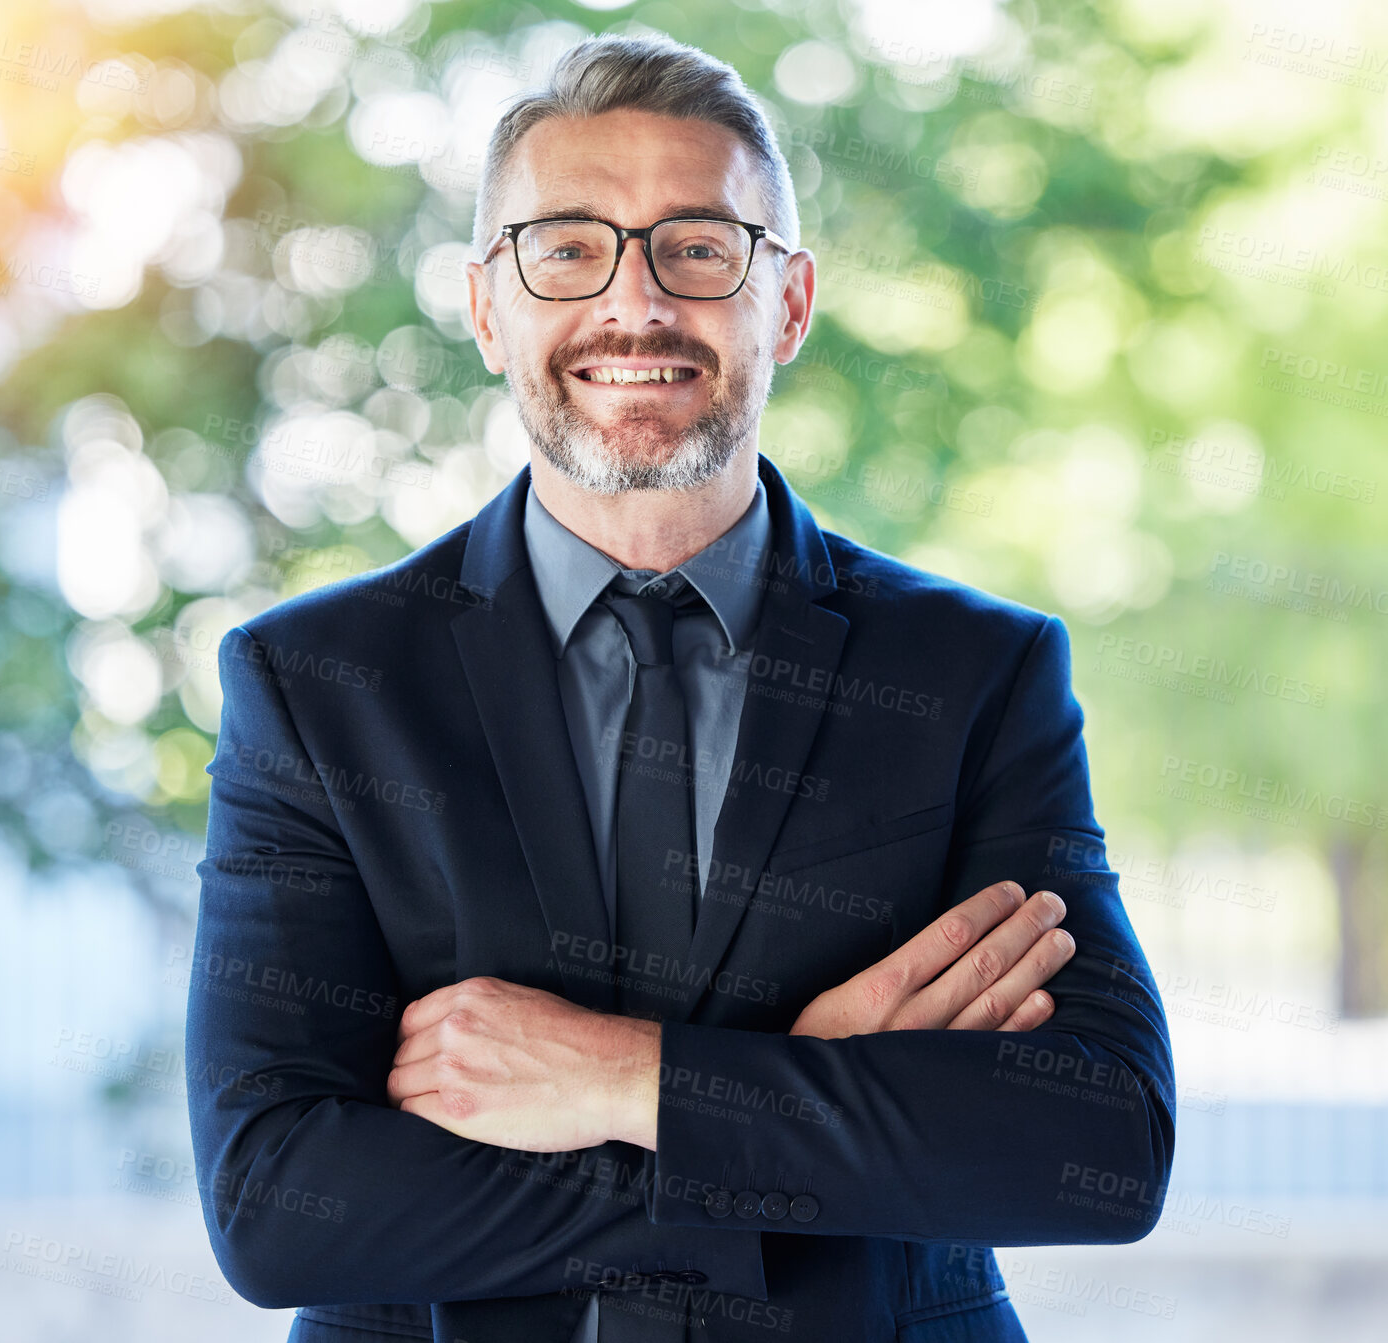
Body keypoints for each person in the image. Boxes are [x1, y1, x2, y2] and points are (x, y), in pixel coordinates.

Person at [186, 32, 1175, 1343]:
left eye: (700, 248)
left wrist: (620, 1077)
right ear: (489, 307)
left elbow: (1093, 1139)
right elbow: (275, 1206)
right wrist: (808, 1097)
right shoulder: (318, 685)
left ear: (792, 302)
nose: (635, 305)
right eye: (568, 247)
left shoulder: (975, 674)